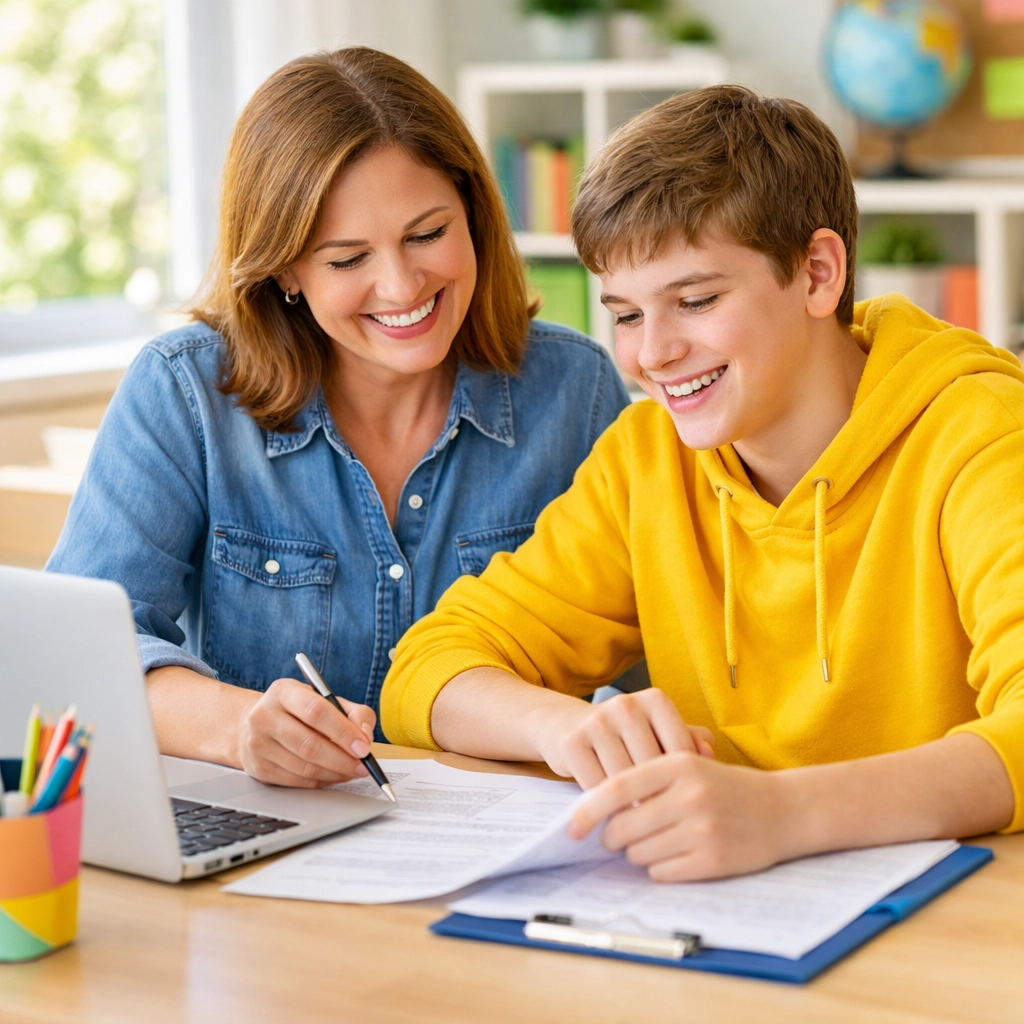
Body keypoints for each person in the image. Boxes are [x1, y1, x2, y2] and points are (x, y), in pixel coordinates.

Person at [380, 86, 1023, 881]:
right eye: (625, 314)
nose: (652, 354)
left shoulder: (981, 434)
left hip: (954, 927)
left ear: (818, 273)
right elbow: (424, 671)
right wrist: (559, 728)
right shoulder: (645, 458)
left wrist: (785, 813)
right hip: (730, 906)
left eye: (695, 300)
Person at [47, 47, 628, 789]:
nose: (401, 284)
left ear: (474, 214)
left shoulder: (574, 391)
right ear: (285, 268)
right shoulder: (186, 392)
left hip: (512, 849)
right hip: (275, 847)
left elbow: (653, 664)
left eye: (426, 234)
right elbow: (86, 655)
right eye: (347, 259)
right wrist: (237, 728)